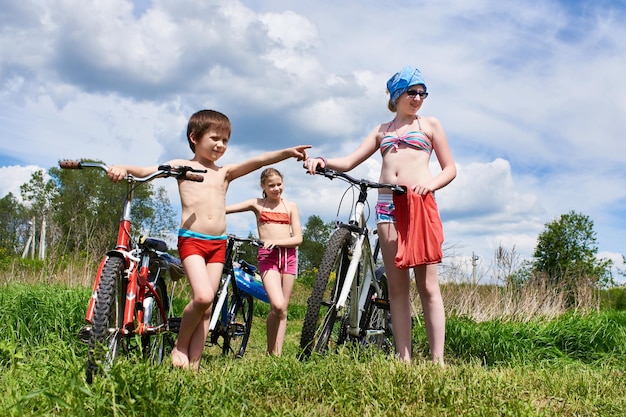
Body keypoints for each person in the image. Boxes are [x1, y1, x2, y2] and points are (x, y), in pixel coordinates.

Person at [107, 109, 310, 370]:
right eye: (215, 138)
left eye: (225, 140)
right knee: (202, 297)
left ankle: (194, 363)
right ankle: (180, 346)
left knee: (208, 305)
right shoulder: (183, 166)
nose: (220, 145)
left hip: (218, 244)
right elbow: (147, 170)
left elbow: (259, 160)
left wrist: (286, 152)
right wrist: (122, 168)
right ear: (194, 137)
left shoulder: (224, 173)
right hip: (192, 240)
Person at [304, 66, 456, 365]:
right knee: (398, 288)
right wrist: (322, 161)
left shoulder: (430, 125)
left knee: (427, 286)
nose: (418, 98)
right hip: (387, 205)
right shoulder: (381, 130)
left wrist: (431, 184)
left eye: (422, 93)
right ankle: (404, 359)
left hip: (419, 204)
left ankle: (437, 361)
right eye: (412, 92)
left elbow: (450, 168)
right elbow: (348, 162)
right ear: (397, 94)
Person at [226, 167, 302, 356]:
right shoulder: (257, 204)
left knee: (283, 308)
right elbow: (226, 209)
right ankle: (270, 350)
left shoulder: (290, 206)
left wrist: (277, 241)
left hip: (289, 257)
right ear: (263, 186)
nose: (276, 188)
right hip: (268, 258)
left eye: (279, 184)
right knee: (276, 304)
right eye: (271, 185)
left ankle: (276, 355)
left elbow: (298, 238)